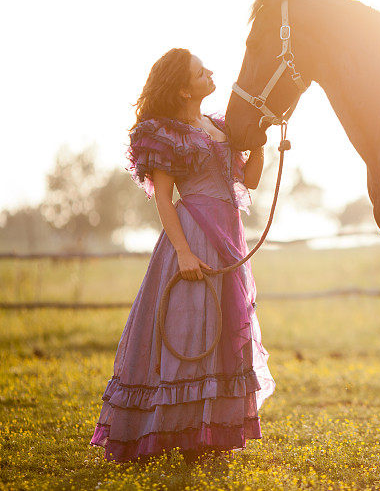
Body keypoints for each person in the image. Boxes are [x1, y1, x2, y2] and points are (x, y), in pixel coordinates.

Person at [89, 48, 275, 463]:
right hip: (193, 234)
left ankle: (207, 430)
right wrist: (184, 252)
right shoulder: (163, 133)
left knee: (224, 324)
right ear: (182, 88)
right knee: (193, 328)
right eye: (199, 71)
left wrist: (260, 145)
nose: (210, 72)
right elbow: (166, 200)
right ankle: (176, 431)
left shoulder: (220, 124)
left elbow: (250, 181)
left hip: (229, 235)